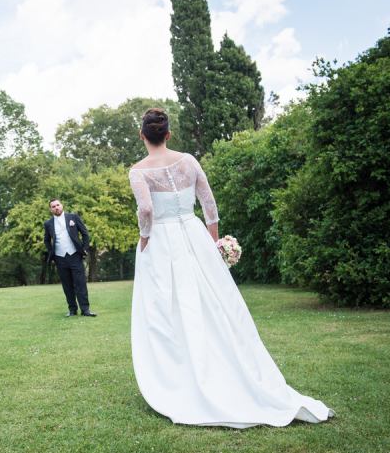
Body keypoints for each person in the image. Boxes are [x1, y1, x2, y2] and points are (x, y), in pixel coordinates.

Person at [128, 108, 333, 428]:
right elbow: (209, 204)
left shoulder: (138, 171)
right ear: (168, 135)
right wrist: (212, 245)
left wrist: (144, 238)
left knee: (167, 308)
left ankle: (181, 373)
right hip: (194, 234)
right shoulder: (189, 161)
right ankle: (223, 364)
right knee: (215, 304)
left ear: (143, 135)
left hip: (162, 243)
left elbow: (146, 208)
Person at [44, 198, 97, 317]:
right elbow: (46, 240)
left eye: (58, 205)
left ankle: (85, 310)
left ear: (62, 205)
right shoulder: (48, 224)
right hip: (59, 257)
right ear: (50, 210)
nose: (56, 208)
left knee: (80, 282)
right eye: (53, 206)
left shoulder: (73, 217)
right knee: (67, 284)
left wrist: (84, 249)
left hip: (74, 255)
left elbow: (85, 233)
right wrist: (51, 252)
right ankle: (72, 309)